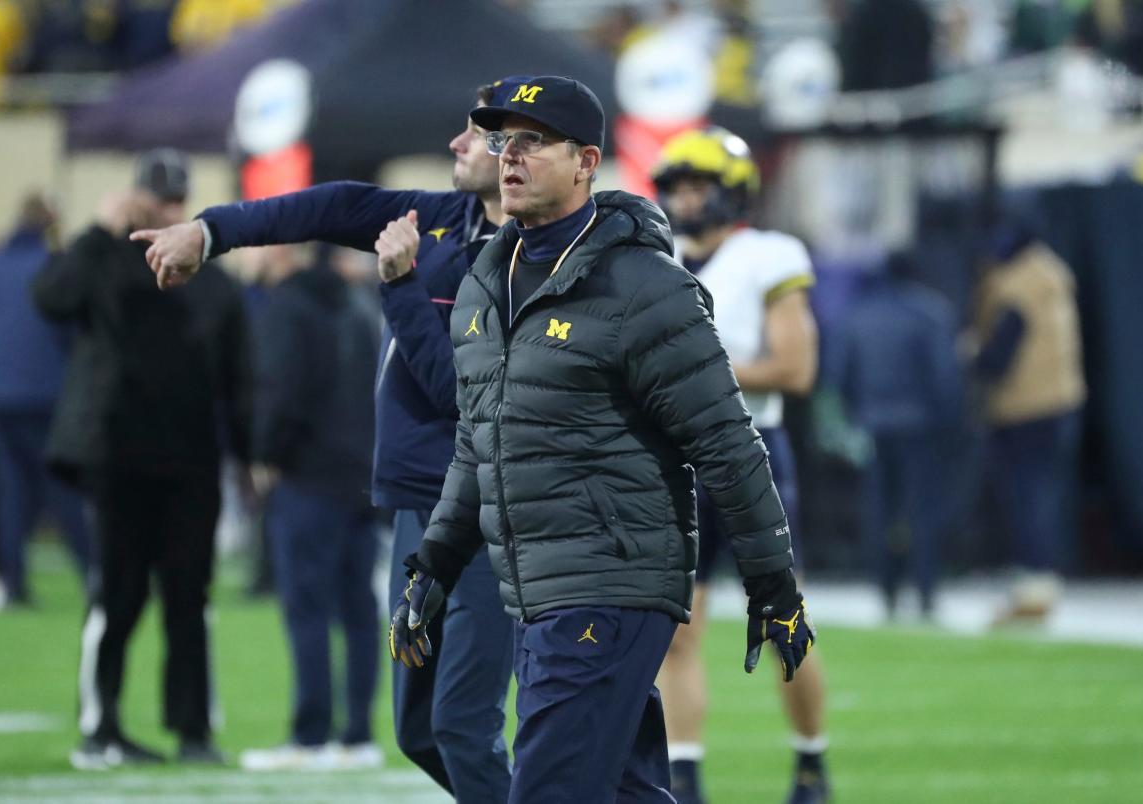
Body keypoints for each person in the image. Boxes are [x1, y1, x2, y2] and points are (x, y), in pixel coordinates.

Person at [384, 75, 816, 804]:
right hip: (538, 590)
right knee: (621, 792)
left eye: (532, 142)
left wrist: (772, 582)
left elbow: (727, 444)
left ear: (586, 161)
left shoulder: (645, 286)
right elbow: (478, 443)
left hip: (610, 585)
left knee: (547, 791)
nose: (509, 156)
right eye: (501, 141)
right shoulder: (489, 279)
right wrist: (433, 566)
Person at [130, 78, 530, 799]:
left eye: (475, 133)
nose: (456, 142)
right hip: (417, 505)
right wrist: (210, 232)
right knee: (419, 733)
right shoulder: (447, 217)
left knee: (464, 726)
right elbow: (331, 205)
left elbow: (456, 392)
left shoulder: (529, 261)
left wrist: (400, 283)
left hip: (488, 508)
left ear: (514, 155)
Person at [32, 149, 250, 769]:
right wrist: (99, 232)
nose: (167, 210)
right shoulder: (104, 261)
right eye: (158, 198)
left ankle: (193, 731)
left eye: (177, 200)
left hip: (190, 463)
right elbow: (50, 297)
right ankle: (101, 729)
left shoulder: (213, 280)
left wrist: (249, 454)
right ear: (135, 198)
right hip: (117, 458)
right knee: (118, 595)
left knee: (189, 599)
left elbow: (238, 376)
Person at [649, 126, 831, 804]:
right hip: (677, 464)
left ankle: (812, 762)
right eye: (678, 188)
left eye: (700, 187)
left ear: (734, 192)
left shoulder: (768, 255)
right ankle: (684, 776)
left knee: (785, 623)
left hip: (751, 452)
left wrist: (701, 376)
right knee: (675, 634)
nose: (687, 201)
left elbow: (796, 367)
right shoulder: (656, 257)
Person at [238, 244, 383, 770]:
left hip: (307, 477)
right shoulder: (358, 302)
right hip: (361, 477)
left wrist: (265, 456)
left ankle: (311, 735)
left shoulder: (286, 307)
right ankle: (359, 736)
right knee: (360, 611)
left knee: (308, 610)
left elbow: (279, 389)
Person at [827, 252, 962, 619]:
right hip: (920, 426)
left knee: (879, 509)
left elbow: (838, 375)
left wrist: (856, 414)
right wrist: (949, 420)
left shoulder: (857, 315)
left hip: (873, 424)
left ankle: (886, 590)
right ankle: (926, 590)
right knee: (921, 508)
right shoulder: (931, 312)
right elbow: (945, 375)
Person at [971, 223, 1085, 625]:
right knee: (1041, 493)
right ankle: (1039, 582)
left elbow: (999, 356)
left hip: (1026, 408)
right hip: (1062, 400)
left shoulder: (1018, 284)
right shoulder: (1052, 273)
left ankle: (1033, 587)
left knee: (1025, 495)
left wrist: (973, 356)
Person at [0, 193, 92, 608]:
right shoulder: (55, 267)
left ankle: (13, 583)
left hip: (0, 399)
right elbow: (73, 336)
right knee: (62, 487)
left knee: (10, 494)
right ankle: (94, 571)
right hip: (46, 396)